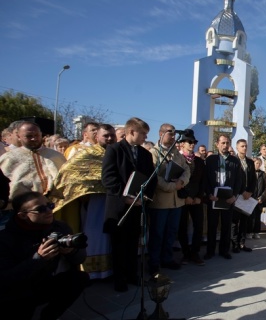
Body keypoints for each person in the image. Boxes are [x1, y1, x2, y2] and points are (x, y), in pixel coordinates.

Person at [0, 191, 90, 319]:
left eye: (50, 205)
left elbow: (80, 259)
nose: (48, 211)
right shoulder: (5, 239)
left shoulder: (60, 227)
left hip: (43, 283)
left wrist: (72, 252)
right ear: (23, 215)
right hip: (16, 292)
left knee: (79, 279)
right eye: (41, 209)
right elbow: (6, 280)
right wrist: (38, 259)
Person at [50, 124, 117, 280]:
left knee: (110, 236)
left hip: (113, 200)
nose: (109, 138)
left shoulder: (117, 152)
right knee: (94, 234)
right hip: (94, 202)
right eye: (105, 135)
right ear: (97, 136)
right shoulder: (86, 153)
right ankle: (91, 271)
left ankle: (110, 269)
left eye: (111, 135)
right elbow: (69, 173)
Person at [101, 117, 157, 292]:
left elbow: (151, 178)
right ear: (131, 132)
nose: (145, 138)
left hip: (138, 205)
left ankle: (133, 275)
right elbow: (108, 178)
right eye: (143, 134)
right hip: (119, 206)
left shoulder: (146, 154)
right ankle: (120, 279)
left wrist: (144, 196)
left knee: (133, 243)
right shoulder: (114, 150)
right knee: (119, 245)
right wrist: (124, 196)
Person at [147, 124, 190, 275]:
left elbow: (186, 170)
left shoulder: (176, 154)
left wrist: (181, 182)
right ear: (160, 134)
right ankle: (154, 262)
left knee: (171, 232)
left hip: (176, 201)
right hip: (161, 201)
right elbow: (153, 177)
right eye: (169, 134)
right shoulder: (153, 153)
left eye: (174, 134)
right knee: (157, 233)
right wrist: (171, 187)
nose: (172, 137)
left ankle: (167, 258)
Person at [0, 121, 66, 204]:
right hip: (20, 207)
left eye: (36, 135)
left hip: (54, 205)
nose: (34, 139)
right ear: (18, 136)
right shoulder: (8, 158)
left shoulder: (56, 156)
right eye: (29, 136)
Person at [204, 135, 242, 260]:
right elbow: (206, 179)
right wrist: (209, 194)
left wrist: (234, 196)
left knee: (226, 225)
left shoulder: (235, 161)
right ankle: (210, 251)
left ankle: (224, 250)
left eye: (227, 143)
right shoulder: (210, 160)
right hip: (214, 197)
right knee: (212, 225)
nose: (225, 145)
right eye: (223, 143)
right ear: (217, 144)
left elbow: (238, 181)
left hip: (228, 197)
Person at [177, 132, 206, 266]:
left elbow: (203, 181)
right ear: (182, 144)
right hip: (182, 199)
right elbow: (175, 180)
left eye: (194, 142)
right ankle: (186, 253)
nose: (192, 144)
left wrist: (199, 197)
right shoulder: (177, 159)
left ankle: (195, 252)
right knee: (182, 227)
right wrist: (186, 196)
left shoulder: (199, 161)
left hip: (196, 199)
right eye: (189, 142)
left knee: (198, 226)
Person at [232, 139, 256, 252]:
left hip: (247, 196)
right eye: (242, 146)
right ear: (237, 147)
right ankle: (234, 244)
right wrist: (241, 192)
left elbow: (253, 180)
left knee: (244, 221)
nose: (244, 148)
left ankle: (242, 243)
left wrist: (250, 192)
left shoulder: (250, 162)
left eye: (246, 146)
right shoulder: (233, 161)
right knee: (234, 221)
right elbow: (233, 180)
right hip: (237, 195)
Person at [248, 157, 266, 239]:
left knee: (257, 217)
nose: (258, 165)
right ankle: (249, 232)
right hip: (251, 198)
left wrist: (262, 197)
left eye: (260, 163)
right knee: (250, 216)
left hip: (259, 199)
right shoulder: (249, 173)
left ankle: (256, 232)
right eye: (256, 163)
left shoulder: (263, 174)